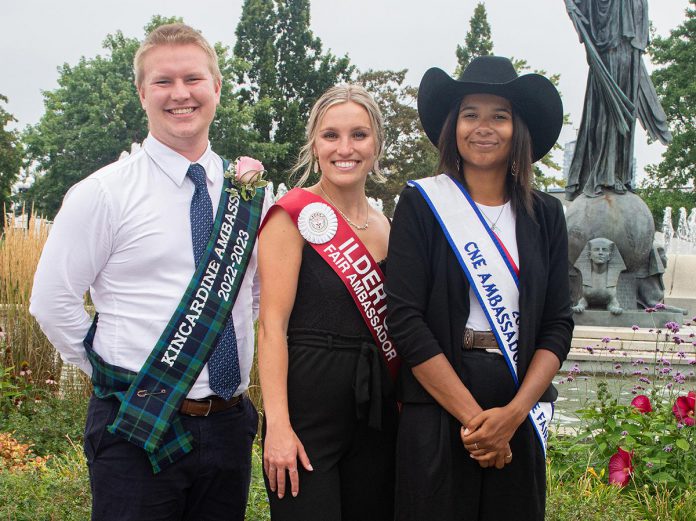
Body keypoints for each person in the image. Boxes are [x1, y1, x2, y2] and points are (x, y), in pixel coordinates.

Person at [30, 23, 271, 521]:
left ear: (217, 87)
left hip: (228, 426)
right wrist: (120, 380)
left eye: (193, 79)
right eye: (163, 82)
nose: (180, 94)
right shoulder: (103, 193)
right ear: (141, 92)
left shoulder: (250, 195)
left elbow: (251, 299)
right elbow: (51, 303)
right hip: (136, 426)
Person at [386, 56, 574, 520]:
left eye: (499, 116)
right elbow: (405, 321)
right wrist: (477, 422)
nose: (483, 127)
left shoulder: (545, 214)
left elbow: (557, 325)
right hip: (439, 401)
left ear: (518, 130)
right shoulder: (421, 204)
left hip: (518, 402)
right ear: (453, 126)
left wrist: (510, 418)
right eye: (470, 114)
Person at [258, 84, 398, 521]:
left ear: (376, 144)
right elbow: (271, 327)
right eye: (331, 135)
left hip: (374, 413)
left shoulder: (389, 227)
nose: (345, 148)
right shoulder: (291, 215)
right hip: (307, 413)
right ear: (314, 145)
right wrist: (277, 426)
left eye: (359, 135)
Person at [564, 0, 671, 200]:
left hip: (631, 44)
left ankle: (621, 172)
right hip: (608, 36)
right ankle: (603, 173)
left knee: (627, 116)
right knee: (606, 112)